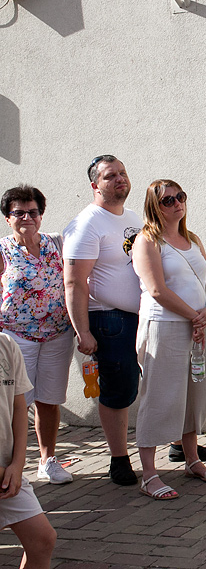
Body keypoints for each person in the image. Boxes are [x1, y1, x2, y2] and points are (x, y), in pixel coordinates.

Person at [132, 180, 206, 500]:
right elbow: (156, 289)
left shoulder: (192, 238)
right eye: (167, 200)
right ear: (155, 206)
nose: (176, 204)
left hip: (197, 327)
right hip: (166, 327)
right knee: (160, 396)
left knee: (194, 394)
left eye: (180, 197)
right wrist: (193, 315)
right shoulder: (147, 240)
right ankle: (150, 474)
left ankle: (192, 458)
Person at [63, 155, 144, 486]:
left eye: (123, 173)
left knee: (143, 384)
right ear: (95, 185)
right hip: (108, 320)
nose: (120, 179)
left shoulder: (134, 217)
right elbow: (73, 283)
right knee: (118, 388)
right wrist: (83, 331)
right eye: (111, 176)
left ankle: (180, 445)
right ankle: (119, 458)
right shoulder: (87, 224)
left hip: (140, 316)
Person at [0, 185, 75, 485]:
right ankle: (13, 465)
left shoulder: (56, 243)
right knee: (16, 402)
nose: (26, 217)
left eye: (32, 212)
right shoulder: (2, 250)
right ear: (8, 218)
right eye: (18, 212)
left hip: (57, 335)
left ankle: (47, 461)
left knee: (49, 399)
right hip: (17, 337)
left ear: (41, 215)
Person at [0, 332, 57, 569]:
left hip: (7, 470)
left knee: (42, 539)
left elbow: (19, 406)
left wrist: (17, 463)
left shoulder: (6, 344)